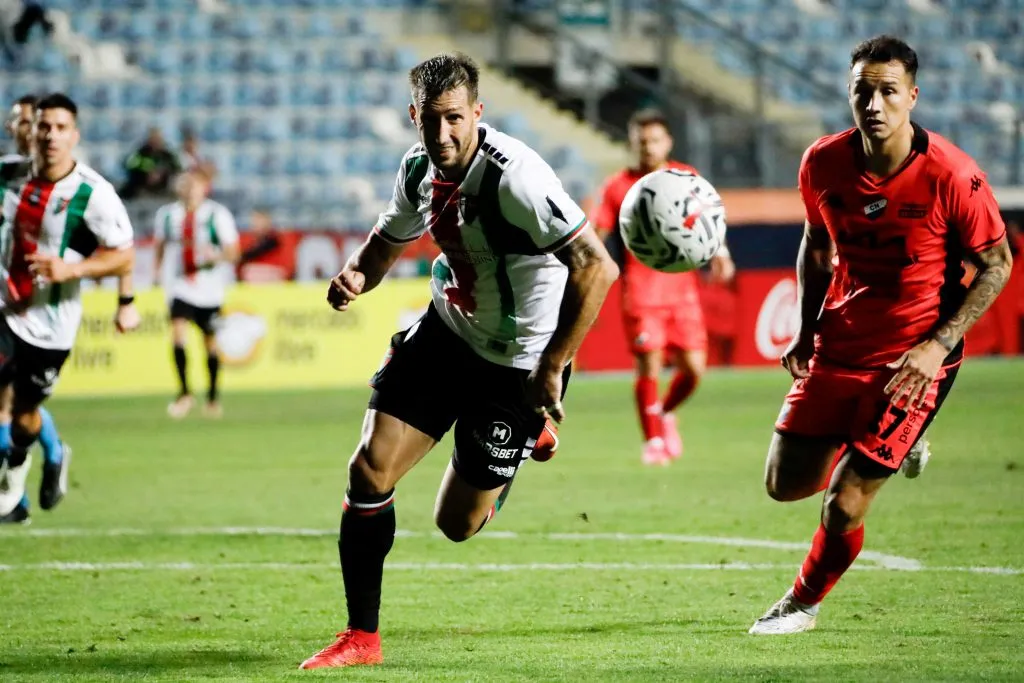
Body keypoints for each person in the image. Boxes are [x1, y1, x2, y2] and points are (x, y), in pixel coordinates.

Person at [299, 52, 618, 669]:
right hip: (447, 334)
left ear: (477, 113)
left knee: (456, 524)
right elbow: (389, 238)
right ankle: (361, 638)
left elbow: (596, 266)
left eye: (455, 119)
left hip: (520, 364)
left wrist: (553, 366)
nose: (442, 135)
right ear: (413, 116)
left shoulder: (518, 178)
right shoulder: (417, 168)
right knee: (368, 472)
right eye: (430, 121)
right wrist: (356, 277)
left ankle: (526, 438)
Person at [749, 35, 1012, 635]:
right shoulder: (821, 163)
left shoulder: (953, 176)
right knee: (783, 484)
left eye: (888, 91)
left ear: (911, 97)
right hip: (841, 343)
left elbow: (998, 263)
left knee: (843, 502)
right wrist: (806, 329)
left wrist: (938, 344)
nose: (874, 103)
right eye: (862, 91)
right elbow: (817, 247)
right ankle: (897, 442)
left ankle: (802, 602)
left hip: (915, 359)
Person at [0, 93, 138, 525]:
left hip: (50, 328)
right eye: (43, 126)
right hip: (6, 308)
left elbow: (124, 256)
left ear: (74, 135)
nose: (50, 136)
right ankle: (13, 487)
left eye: (61, 128)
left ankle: (28, 464)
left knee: (24, 418)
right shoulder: (8, 175)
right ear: (32, 131)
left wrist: (71, 269)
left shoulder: (91, 194)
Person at [591, 109, 735, 465]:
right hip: (640, 291)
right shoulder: (618, 186)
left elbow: (708, 223)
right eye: (641, 141)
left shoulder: (687, 177)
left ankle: (664, 412)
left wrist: (721, 251)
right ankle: (653, 441)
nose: (648, 147)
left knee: (694, 369)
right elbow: (598, 232)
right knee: (649, 366)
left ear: (668, 142)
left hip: (682, 291)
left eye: (655, 140)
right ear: (632, 143)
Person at [154, 168, 239, 419]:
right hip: (181, 286)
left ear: (204, 188)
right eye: (185, 184)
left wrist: (217, 255)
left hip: (210, 290)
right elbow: (160, 245)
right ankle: (184, 394)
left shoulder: (216, 215)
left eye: (195, 185)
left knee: (210, 344)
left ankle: (212, 398)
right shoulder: (168, 215)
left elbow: (234, 251)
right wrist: (157, 273)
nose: (189, 189)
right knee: (178, 335)